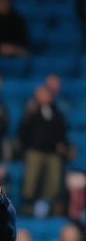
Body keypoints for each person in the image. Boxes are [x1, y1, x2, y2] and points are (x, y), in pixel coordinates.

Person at [18, 84, 72, 218]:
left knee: (53, 180)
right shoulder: (31, 111)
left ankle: (49, 205)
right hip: (35, 150)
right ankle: (28, 205)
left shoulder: (56, 112)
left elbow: (62, 131)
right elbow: (22, 131)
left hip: (52, 152)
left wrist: (63, 146)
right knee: (31, 179)